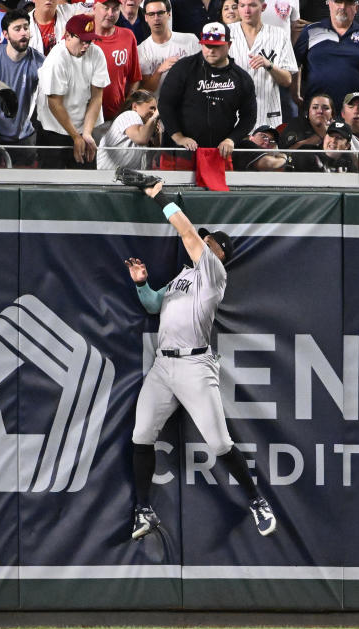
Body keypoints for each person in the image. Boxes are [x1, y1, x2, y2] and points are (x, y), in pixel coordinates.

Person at [118, 173, 278, 540]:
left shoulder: (213, 273)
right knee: (141, 436)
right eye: (205, 241)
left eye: (211, 243)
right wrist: (142, 283)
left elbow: (189, 234)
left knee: (220, 443)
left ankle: (257, 500)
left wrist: (159, 195)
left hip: (194, 365)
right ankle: (144, 510)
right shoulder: (182, 278)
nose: (204, 242)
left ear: (218, 254)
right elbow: (154, 305)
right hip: (163, 365)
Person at [157, 22, 257, 163]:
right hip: (180, 153)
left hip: (219, 154)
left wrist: (231, 140)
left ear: (229, 45)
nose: (211, 50)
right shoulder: (183, 68)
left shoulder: (241, 78)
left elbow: (249, 116)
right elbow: (165, 105)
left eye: (217, 46)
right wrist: (178, 137)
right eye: (207, 45)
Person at [35, 13, 110, 167]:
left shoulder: (96, 54)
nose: (86, 46)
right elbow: (55, 103)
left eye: (89, 41)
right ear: (67, 36)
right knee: (53, 184)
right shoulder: (56, 59)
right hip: (54, 132)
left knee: (86, 179)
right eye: (82, 41)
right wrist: (76, 136)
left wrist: (87, 134)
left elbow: (96, 98)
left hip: (84, 126)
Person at [0, 7, 43, 166]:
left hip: (23, 137)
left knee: (23, 186)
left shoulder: (40, 62)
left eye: (26, 28)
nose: (23, 33)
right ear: (5, 34)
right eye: (17, 29)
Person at [294, 0, 359, 112]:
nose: (342, 7)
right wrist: (295, 94)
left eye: (348, 3)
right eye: (338, 2)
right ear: (329, 3)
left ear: (356, 8)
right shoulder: (310, 31)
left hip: (350, 112)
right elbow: (295, 64)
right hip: (315, 111)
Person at [228, 0, 298, 128]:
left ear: (263, 7)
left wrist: (269, 65)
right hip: (232, 113)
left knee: (266, 147)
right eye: (242, 5)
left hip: (268, 112)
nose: (246, 10)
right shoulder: (227, 32)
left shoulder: (279, 35)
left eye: (252, 5)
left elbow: (287, 80)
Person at [137, 0, 200, 96]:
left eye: (160, 13)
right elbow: (147, 90)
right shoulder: (141, 50)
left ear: (169, 14)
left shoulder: (190, 40)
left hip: (190, 103)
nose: (156, 18)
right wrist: (159, 71)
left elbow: (204, 73)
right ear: (146, 17)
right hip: (159, 106)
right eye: (151, 14)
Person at [92, 0, 142, 119]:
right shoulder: (79, 35)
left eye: (115, 9)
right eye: (105, 7)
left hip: (115, 116)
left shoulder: (128, 36)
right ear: (94, 7)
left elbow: (134, 78)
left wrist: (126, 109)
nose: (110, 13)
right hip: (81, 118)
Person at [96, 89, 160, 168]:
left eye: (155, 109)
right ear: (135, 106)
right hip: (107, 176)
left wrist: (156, 131)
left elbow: (156, 154)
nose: (154, 112)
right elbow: (141, 138)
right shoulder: (129, 115)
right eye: (152, 108)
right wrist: (154, 117)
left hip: (123, 177)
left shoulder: (144, 127)